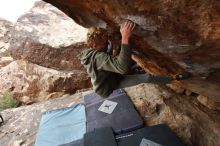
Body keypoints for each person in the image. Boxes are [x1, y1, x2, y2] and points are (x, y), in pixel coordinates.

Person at [80, 20, 190, 98]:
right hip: (108, 88)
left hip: (113, 77)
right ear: (94, 46)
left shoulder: (94, 50)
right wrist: (125, 37)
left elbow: (109, 49)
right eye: (104, 43)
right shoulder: (98, 58)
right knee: (147, 78)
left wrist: (113, 43)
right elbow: (121, 68)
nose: (106, 44)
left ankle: (136, 70)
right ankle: (175, 78)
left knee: (132, 68)